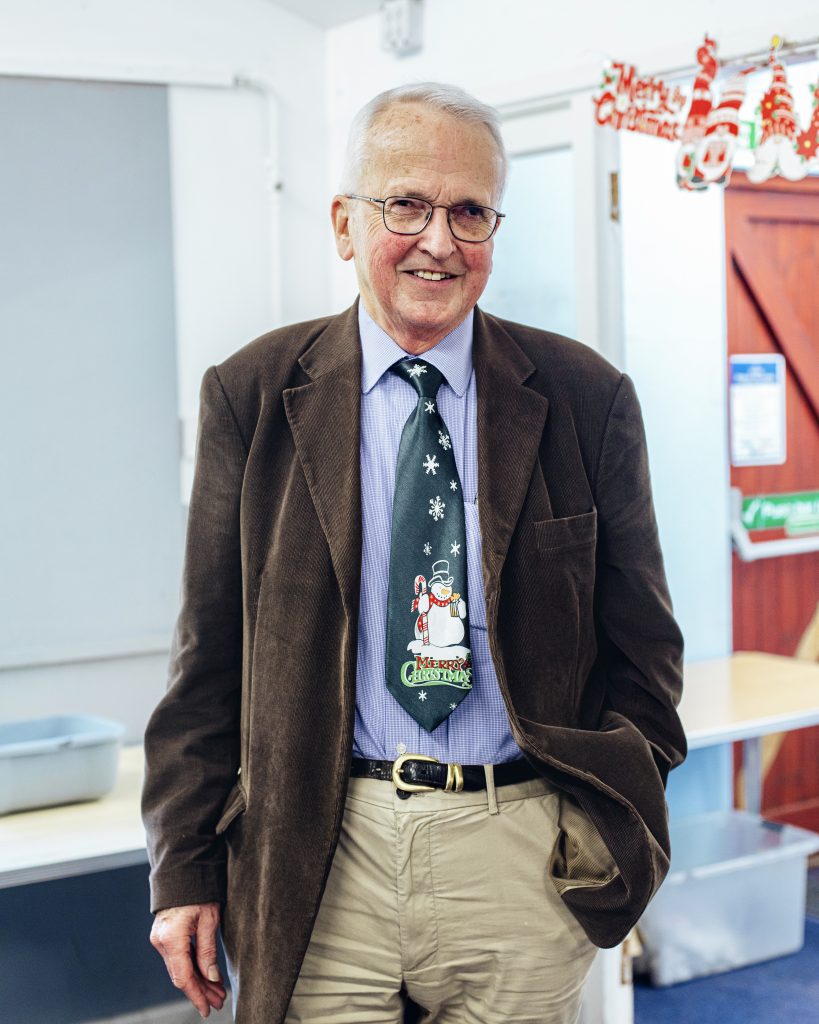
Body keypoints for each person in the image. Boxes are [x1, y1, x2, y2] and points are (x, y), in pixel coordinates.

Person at [142, 82, 687, 1024]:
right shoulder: (251, 394)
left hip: (518, 858)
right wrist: (182, 866)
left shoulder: (585, 397)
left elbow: (645, 653)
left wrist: (597, 828)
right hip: (320, 855)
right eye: (405, 205)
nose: (438, 240)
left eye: (469, 211)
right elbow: (208, 663)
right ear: (343, 224)